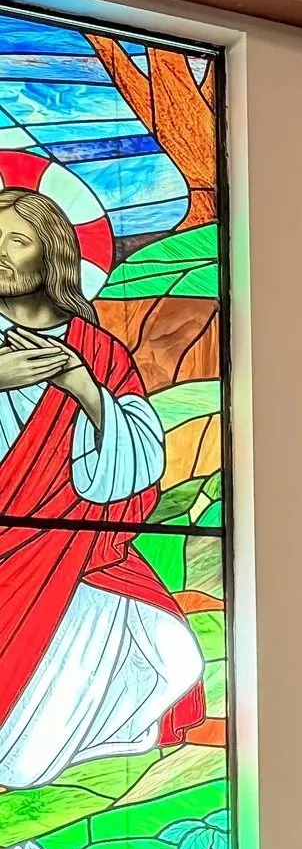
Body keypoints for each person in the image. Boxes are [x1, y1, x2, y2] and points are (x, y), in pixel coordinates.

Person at [0, 186, 202, 791]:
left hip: (75, 552)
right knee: (23, 761)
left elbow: (138, 467)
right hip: (18, 556)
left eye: (17, 239)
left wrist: (84, 388)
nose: (0, 254)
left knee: (176, 657)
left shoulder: (97, 351)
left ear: (53, 256)